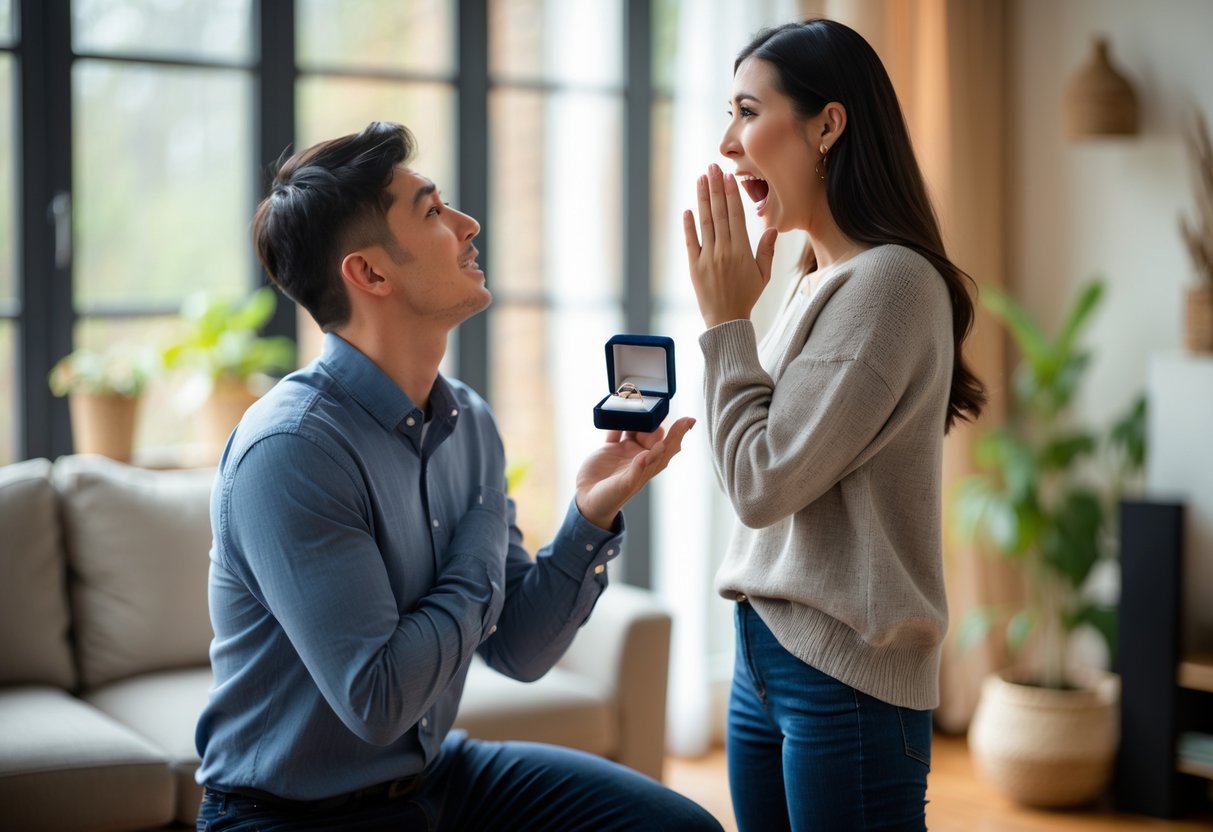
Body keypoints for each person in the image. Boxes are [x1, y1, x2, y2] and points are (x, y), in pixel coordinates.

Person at [194, 120, 720, 832]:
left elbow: (520, 650)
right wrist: (478, 531)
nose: (469, 225)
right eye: (433, 212)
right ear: (370, 273)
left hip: (436, 778)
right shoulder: (290, 451)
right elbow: (378, 700)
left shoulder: (466, 419)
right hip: (291, 816)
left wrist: (588, 517)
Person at [682, 18, 987, 832]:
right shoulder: (817, 279)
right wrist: (735, 321)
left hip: (840, 676)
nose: (727, 141)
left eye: (748, 111)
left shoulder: (891, 283)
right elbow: (757, 469)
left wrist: (723, 324)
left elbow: (759, 482)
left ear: (826, 124)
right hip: (765, 655)